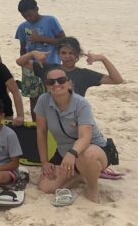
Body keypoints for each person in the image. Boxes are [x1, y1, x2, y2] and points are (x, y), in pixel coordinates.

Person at [35, 67, 109, 203]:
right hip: (64, 151)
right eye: (51, 82)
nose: (56, 84)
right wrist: (44, 162)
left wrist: (72, 153)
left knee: (87, 156)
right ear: (47, 86)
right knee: (45, 187)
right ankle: (80, 175)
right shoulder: (43, 101)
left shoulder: (81, 103)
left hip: (92, 148)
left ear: (69, 83)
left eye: (61, 80)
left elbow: (85, 137)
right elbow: (41, 132)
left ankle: (92, 188)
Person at [15, 0, 66, 121]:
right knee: (34, 98)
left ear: (37, 9)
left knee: (52, 96)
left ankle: (53, 124)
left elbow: (64, 41)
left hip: (51, 65)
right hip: (30, 67)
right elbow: (22, 48)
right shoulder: (22, 27)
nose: (28, 18)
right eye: (24, 16)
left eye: (30, 14)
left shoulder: (51, 20)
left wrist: (41, 39)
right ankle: (35, 125)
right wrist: (24, 66)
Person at [52, 37, 123, 97]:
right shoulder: (50, 69)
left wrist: (103, 58)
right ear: (58, 54)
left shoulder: (84, 74)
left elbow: (117, 80)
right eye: (63, 53)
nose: (67, 56)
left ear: (78, 54)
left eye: (71, 53)